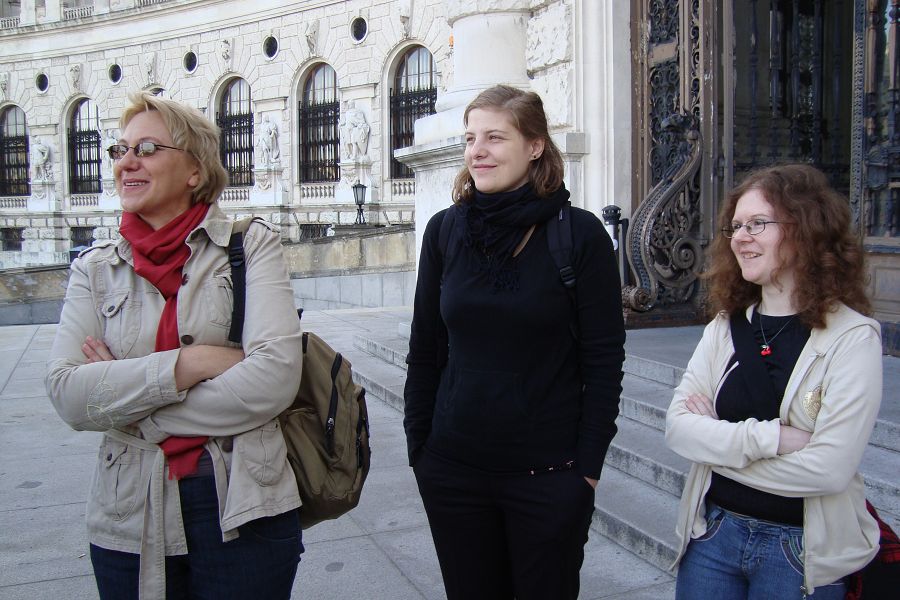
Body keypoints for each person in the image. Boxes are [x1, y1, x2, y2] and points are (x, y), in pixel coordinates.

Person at [45, 91, 304, 600]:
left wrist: (130, 405)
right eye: (120, 150)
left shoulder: (249, 245)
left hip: (242, 504)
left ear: (195, 171)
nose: (127, 162)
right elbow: (68, 394)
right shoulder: (94, 269)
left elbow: (274, 378)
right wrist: (193, 363)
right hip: (129, 510)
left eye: (147, 148)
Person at [403, 85, 626, 600]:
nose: (477, 151)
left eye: (495, 137)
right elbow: (425, 348)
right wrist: (421, 451)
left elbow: (603, 360)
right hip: (453, 472)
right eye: (470, 138)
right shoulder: (444, 232)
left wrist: (586, 471)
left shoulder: (579, 236)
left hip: (547, 477)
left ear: (535, 146)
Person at [665, 164, 882, 599]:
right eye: (736, 226)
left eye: (757, 223)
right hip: (713, 535)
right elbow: (677, 429)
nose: (740, 237)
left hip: (800, 549)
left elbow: (828, 470)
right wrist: (774, 439)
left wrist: (714, 447)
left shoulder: (853, 338)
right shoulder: (724, 328)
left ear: (805, 230)